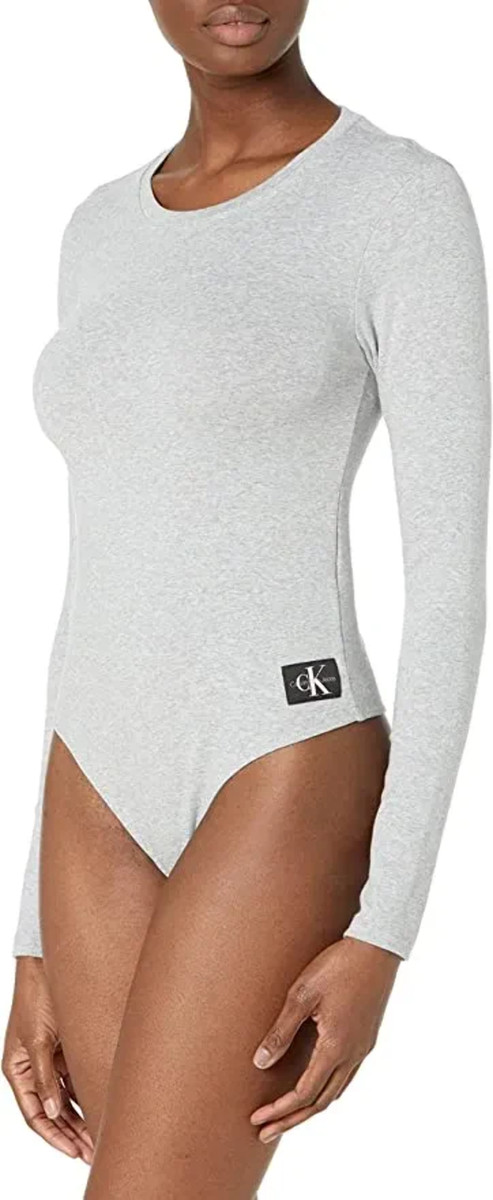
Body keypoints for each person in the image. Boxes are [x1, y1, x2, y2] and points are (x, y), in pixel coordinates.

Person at [3, 2, 490, 1196]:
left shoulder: (397, 197)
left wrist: (386, 928)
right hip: (93, 775)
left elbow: (450, 577)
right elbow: (95, 560)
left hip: (281, 747)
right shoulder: (98, 226)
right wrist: (32, 935)